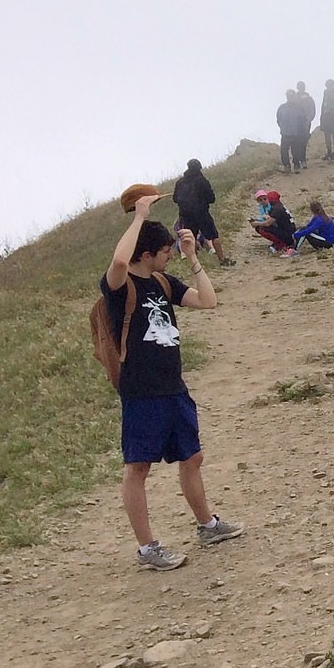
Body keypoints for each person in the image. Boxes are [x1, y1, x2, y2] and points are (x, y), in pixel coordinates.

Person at [101, 197, 242, 571]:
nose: (168, 257)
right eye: (164, 252)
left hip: (173, 387)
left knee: (192, 457)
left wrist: (192, 257)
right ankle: (148, 548)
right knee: (138, 469)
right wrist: (141, 216)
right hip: (141, 392)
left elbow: (208, 301)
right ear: (145, 254)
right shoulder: (118, 286)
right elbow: (118, 261)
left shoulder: (164, 281)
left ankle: (207, 525)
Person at [172, 158, 232, 265]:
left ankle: (195, 263)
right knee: (214, 236)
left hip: (187, 215)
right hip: (202, 213)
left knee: (192, 238)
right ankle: (222, 260)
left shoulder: (180, 182)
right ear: (199, 168)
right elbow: (212, 198)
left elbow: (175, 199)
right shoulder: (202, 181)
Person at [252, 190, 298, 255]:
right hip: (290, 232)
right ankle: (279, 242)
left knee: (262, 228)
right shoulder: (279, 206)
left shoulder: (277, 209)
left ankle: (282, 245)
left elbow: (268, 223)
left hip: (288, 235)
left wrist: (256, 223)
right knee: (261, 227)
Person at [277, 88, 306, 173]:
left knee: (296, 150)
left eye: (291, 96)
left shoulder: (299, 108)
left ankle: (296, 165)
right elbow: (278, 119)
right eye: (288, 96)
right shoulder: (282, 108)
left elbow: (303, 119)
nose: (290, 98)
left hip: (296, 132)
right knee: (283, 149)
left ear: (294, 97)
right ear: (287, 97)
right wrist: (282, 127)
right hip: (285, 132)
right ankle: (286, 166)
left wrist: (301, 130)